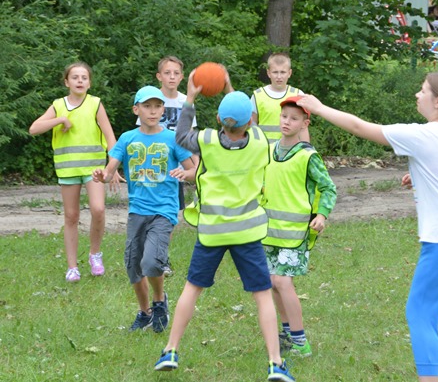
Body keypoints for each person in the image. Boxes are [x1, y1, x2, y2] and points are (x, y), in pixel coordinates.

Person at [298, 72, 438, 382]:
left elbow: (358, 127)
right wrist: (426, 176)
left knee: (420, 313)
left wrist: (318, 108)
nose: (417, 95)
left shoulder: (422, 135)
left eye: (423, 90)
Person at [153, 69, 295, 382]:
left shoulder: (206, 141)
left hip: (213, 231)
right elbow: (247, 120)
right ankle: (275, 363)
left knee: (192, 289)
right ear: (250, 122)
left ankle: (170, 350)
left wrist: (190, 99)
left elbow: (181, 136)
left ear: (218, 118)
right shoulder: (259, 140)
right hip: (247, 230)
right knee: (262, 295)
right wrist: (230, 87)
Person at [93, 86, 194, 333]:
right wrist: (103, 175)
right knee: (133, 266)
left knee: (151, 261)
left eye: (157, 106)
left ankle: (159, 302)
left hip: (164, 210)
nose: (153, 111)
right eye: (147, 106)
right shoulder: (127, 138)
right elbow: (110, 171)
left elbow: (194, 169)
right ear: (136, 110)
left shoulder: (172, 138)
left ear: (163, 110)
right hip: (137, 211)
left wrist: (186, 173)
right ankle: (145, 312)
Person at [29, 62, 119, 283]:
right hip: (68, 169)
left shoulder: (95, 104)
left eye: (84, 77)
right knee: (71, 216)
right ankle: (72, 268)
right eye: (75, 77)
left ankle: (95, 254)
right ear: (66, 82)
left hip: (94, 169)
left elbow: (110, 137)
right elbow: (34, 129)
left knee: (98, 209)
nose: (80, 81)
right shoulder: (58, 105)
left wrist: (113, 166)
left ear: (89, 83)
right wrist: (60, 119)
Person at [262, 96, 337, 358]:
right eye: (284, 116)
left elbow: (328, 187)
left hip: (295, 233)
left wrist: (322, 215)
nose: (287, 122)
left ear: (304, 124)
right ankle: (288, 334)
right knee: (273, 283)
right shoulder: (268, 150)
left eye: (294, 119)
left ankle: (301, 342)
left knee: (282, 282)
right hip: (268, 231)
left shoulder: (308, 156)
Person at [137, 56, 199, 277]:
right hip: (152, 166)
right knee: (146, 213)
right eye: (167, 73)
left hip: (176, 167)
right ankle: (146, 254)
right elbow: (141, 134)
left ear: (182, 77)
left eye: (176, 73)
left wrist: (196, 165)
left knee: (169, 214)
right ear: (159, 76)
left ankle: (160, 257)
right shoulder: (149, 99)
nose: (171, 77)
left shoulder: (186, 101)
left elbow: (190, 137)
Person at [251, 52, 310, 144]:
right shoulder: (257, 96)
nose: (279, 77)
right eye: (275, 72)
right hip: (264, 149)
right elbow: (252, 127)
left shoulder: (298, 95)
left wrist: (307, 149)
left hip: (290, 149)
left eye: (283, 72)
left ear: (289, 73)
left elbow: (303, 128)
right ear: (268, 73)